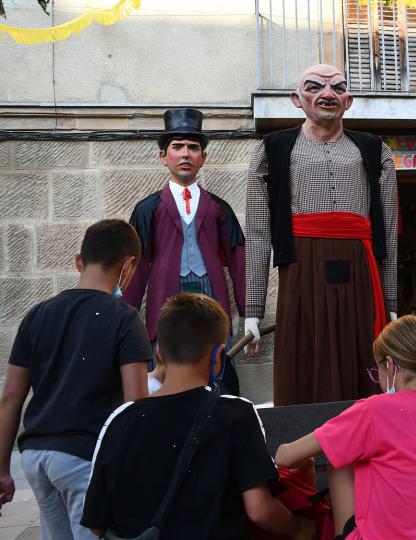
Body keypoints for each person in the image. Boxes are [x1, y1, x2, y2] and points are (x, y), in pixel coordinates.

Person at [81, 293, 313, 539]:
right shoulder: (236, 414)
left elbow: (96, 521)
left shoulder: (120, 419)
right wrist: (300, 529)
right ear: (217, 358)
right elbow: (260, 511)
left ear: (159, 353)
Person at [246, 63, 398, 405]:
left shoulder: (376, 150)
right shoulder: (272, 149)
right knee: (305, 354)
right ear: (296, 99)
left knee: (362, 355)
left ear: (349, 99)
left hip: (361, 265)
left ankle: (365, 442)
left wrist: (390, 304)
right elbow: (257, 232)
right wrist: (252, 309)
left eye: (337, 88)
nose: (327, 94)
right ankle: (307, 450)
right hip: (301, 265)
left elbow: (387, 233)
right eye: (314, 87)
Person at [0, 219, 152, 539]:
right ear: (129, 265)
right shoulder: (124, 318)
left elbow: (11, 396)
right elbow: (136, 403)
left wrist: (2, 469)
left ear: (78, 260)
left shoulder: (37, 314)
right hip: (84, 457)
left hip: (36, 456)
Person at [274, 316, 416, 539]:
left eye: (378, 372)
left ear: (391, 366)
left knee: (339, 452)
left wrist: (307, 462)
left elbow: (284, 456)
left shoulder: (374, 411)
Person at [124, 108, 246, 395]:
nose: (185, 154)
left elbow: (240, 257)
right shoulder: (147, 208)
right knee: (167, 368)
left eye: (193, 147)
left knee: (218, 368)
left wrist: (249, 311)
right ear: (163, 156)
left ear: (203, 157)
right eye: (177, 147)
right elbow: (136, 265)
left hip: (212, 297)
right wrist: (125, 315)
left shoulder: (219, 208)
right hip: (166, 299)